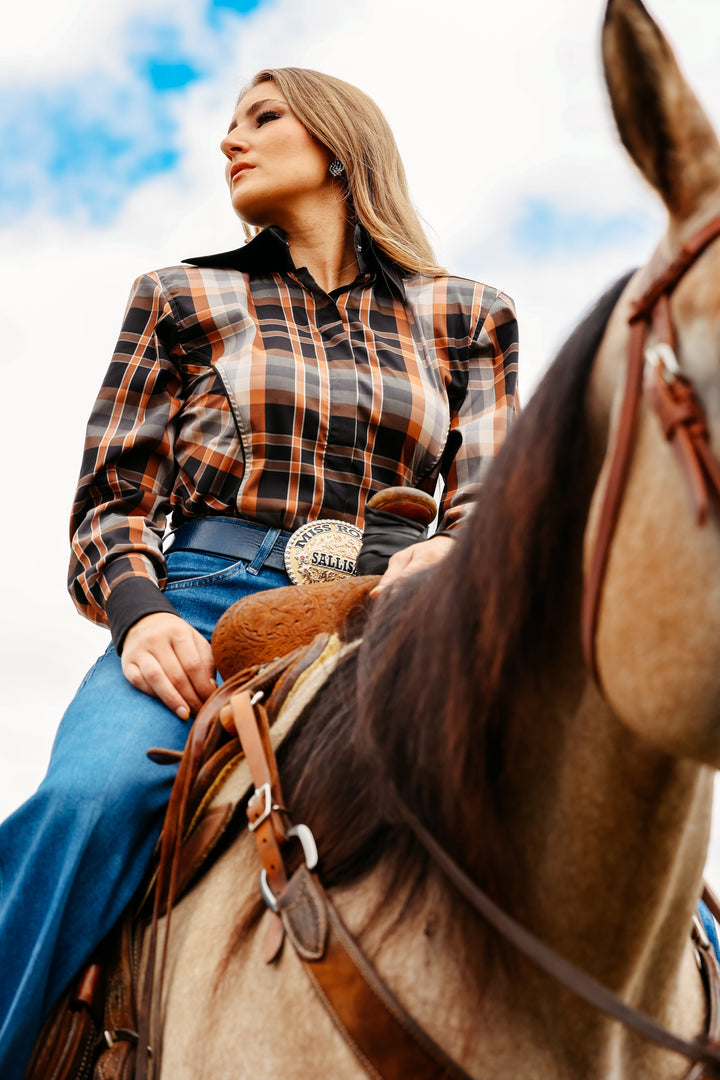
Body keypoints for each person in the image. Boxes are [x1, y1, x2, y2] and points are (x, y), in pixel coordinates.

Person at [0, 66, 519, 1077]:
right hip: (201, 608)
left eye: (262, 118)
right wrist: (142, 617)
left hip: (392, 614)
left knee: (581, 789)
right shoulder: (181, 298)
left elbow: (490, 501)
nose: (230, 139)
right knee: (91, 798)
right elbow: (111, 501)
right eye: (229, 124)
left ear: (336, 143)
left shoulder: (469, 316)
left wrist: (452, 552)